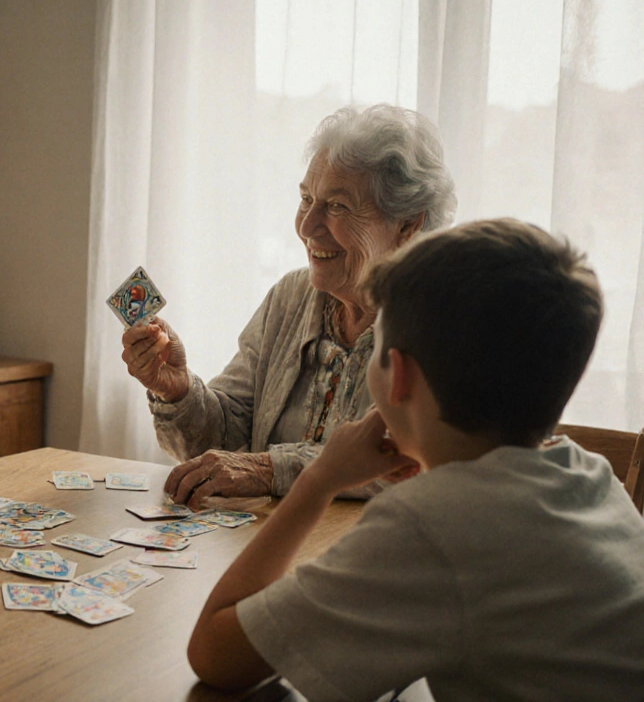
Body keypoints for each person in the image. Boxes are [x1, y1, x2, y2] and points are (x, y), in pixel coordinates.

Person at [187, 219, 644, 699]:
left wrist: (319, 479)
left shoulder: (432, 528)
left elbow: (216, 655)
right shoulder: (592, 478)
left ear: (398, 376)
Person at [122, 104, 456, 509]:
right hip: (275, 534)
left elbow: (402, 461)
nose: (306, 226)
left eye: (337, 206)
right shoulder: (290, 298)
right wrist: (176, 391)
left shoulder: (440, 319)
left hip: (379, 539)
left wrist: (267, 470)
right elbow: (224, 440)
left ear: (407, 224)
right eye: (306, 198)